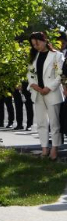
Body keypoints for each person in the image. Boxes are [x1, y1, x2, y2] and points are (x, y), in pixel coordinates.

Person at [27, 31, 64, 160]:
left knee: (54, 122)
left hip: (52, 92)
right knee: (41, 122)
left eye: (37, 43)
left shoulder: (57, 55)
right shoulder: (33, 56)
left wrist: (48, 88)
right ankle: (44, 148)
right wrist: (34, 85)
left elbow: (60, 75)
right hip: (38, 93)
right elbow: (29, 74)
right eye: (33, 44)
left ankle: (54, 148)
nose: (35, 46)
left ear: (44, 40)